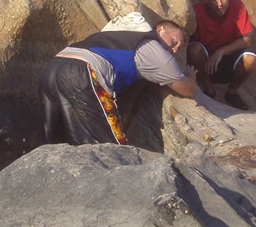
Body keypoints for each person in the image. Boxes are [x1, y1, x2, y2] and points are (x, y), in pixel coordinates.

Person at [39, 20, 197, 145]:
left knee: (55, 141)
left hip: (53, 67)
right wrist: (190, 77)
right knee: (108, 149)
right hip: (83, 71)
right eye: (175, 41)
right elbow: (187, 89)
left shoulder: (122, 34)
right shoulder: (153, 47)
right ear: (160, 29)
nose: (175, 50)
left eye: (180, 48)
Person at [187, 0, 256, 110]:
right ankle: (209, 90)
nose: (220, 3)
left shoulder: (237, 7)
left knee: (251, 59)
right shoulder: (197, 12)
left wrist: (222, 51)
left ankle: (232, 92)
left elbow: (247, 40)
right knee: (193, 50)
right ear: (206, 0)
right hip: (206, 64)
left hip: (229, 61)